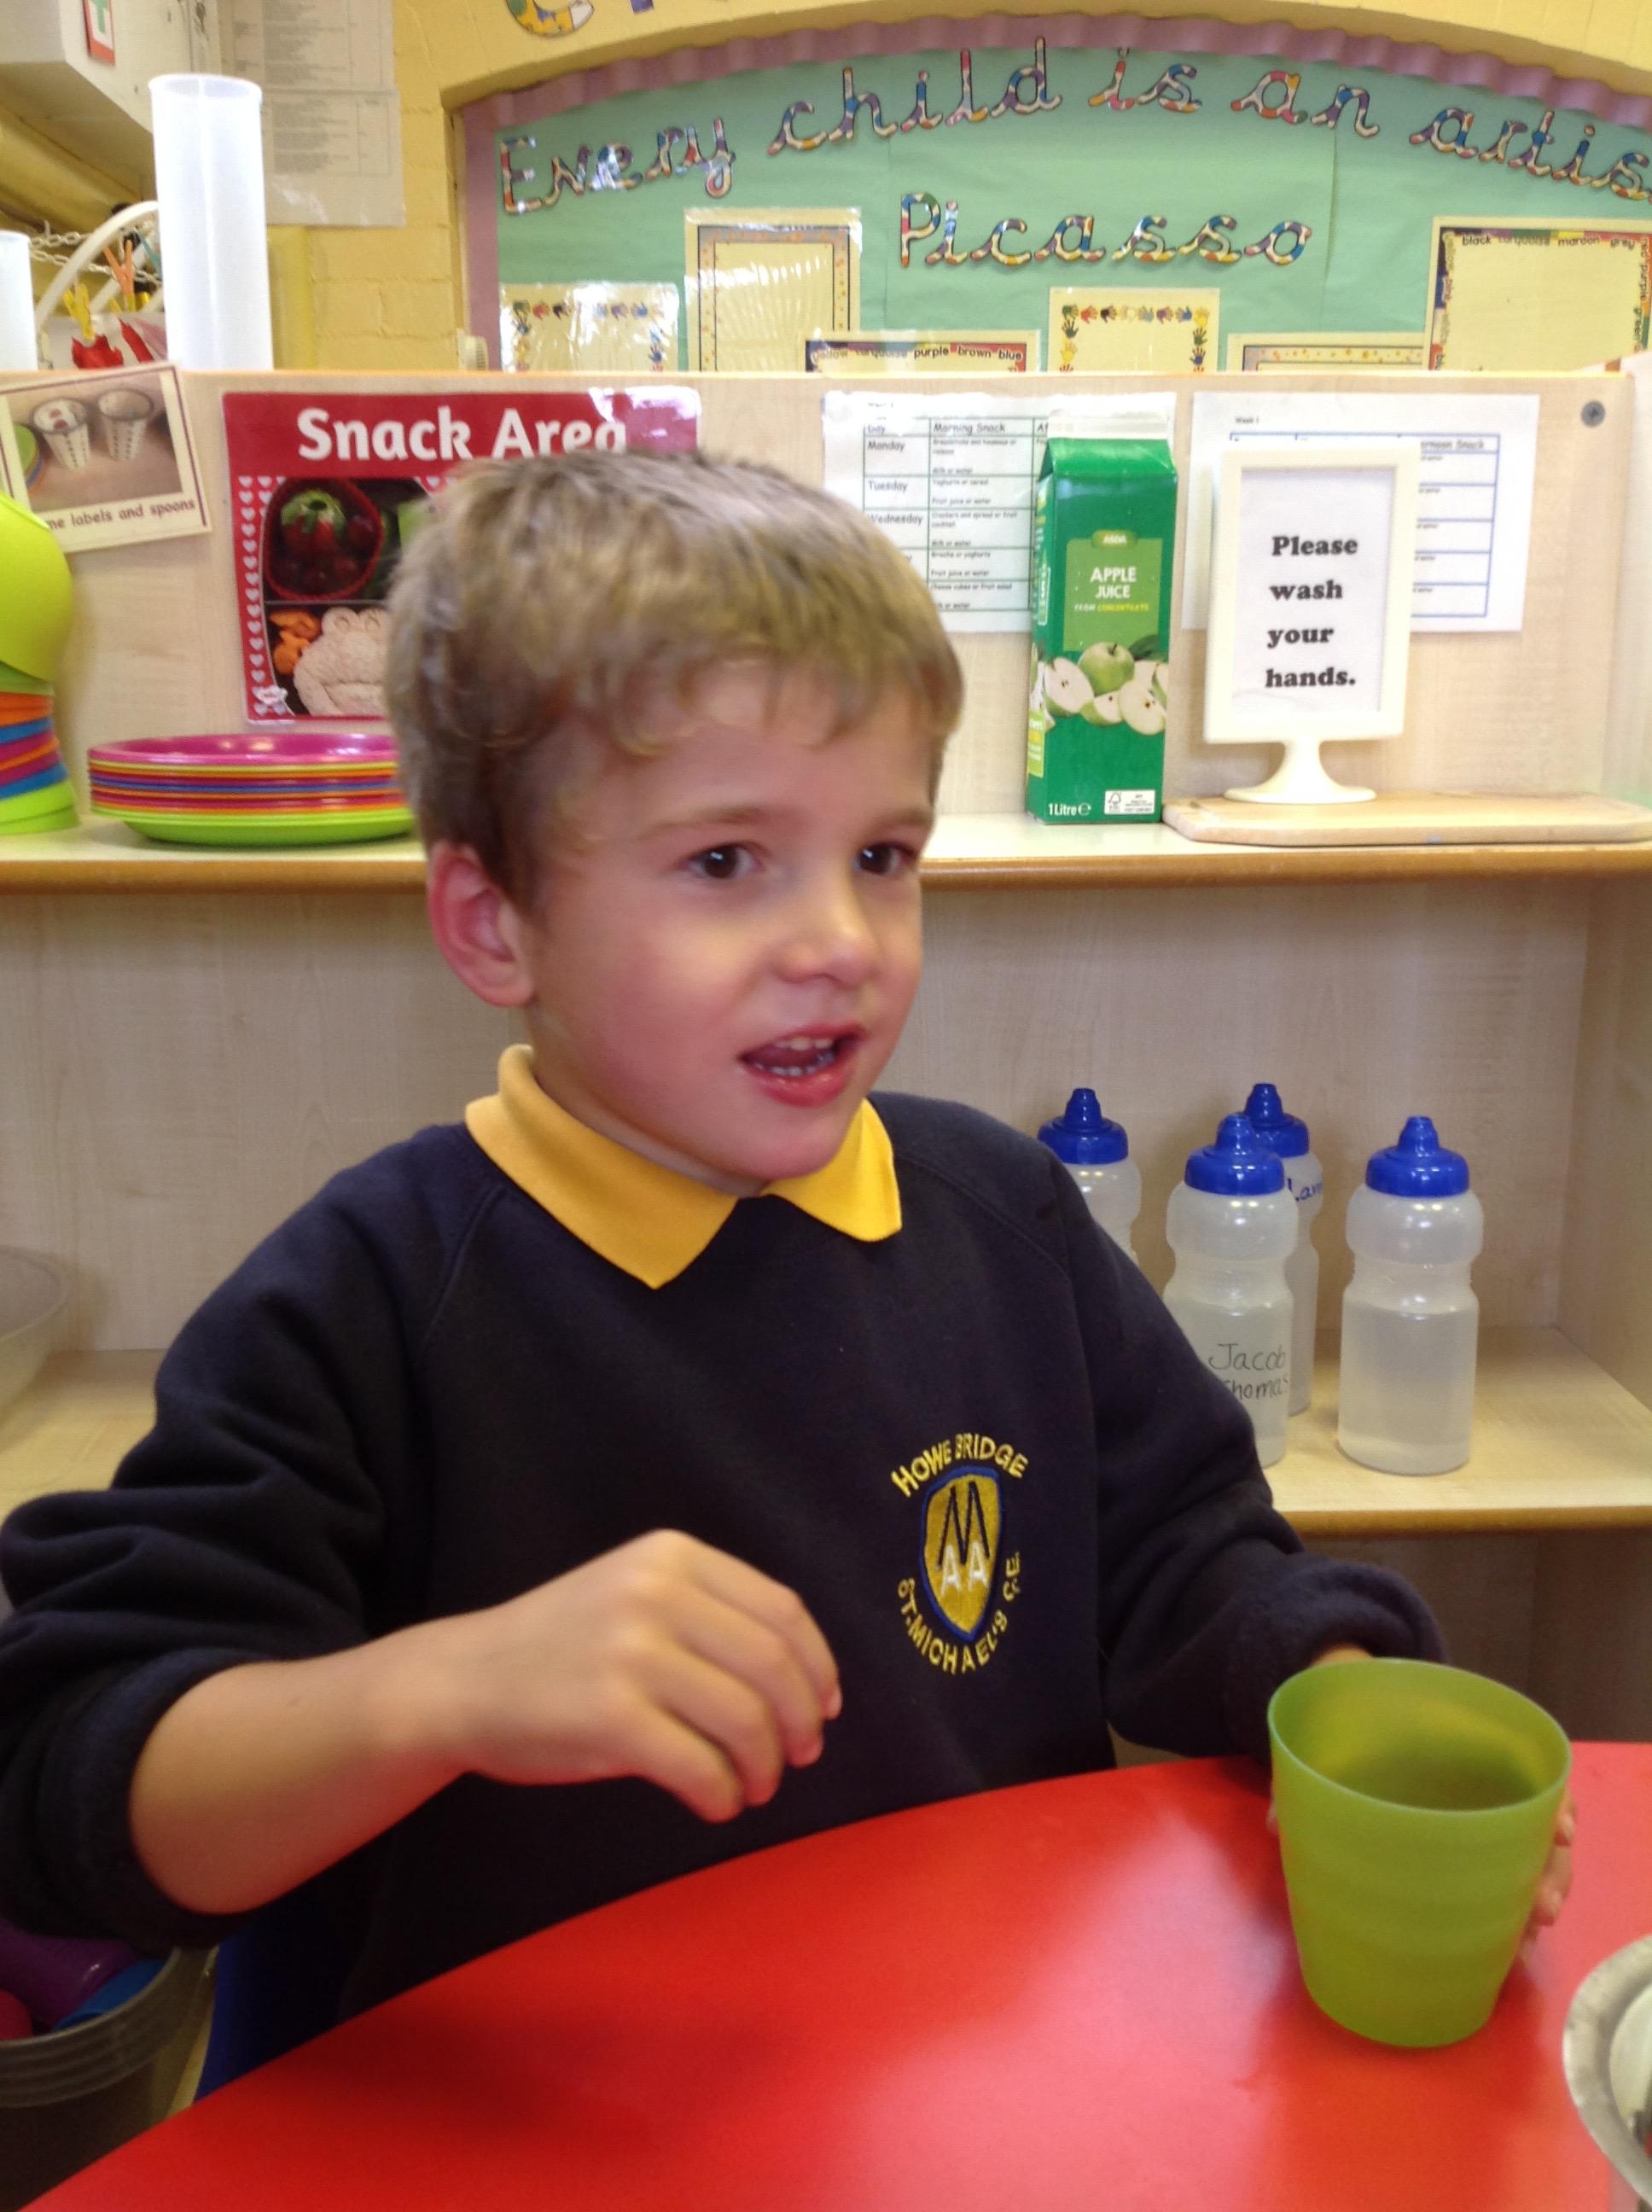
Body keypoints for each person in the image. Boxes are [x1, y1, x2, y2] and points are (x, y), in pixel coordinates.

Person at [0, 453, 1564, 2039]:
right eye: (725, 862)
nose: (838, 944)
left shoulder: (1004, 1215)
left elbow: (1183, 1548)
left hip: (970, 2063)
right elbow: (70, 1773)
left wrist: (1331, 1675)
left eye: (882, 857)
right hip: (545, 2115)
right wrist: (441, 1691)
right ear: (495, 924)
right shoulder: (364, 1302)